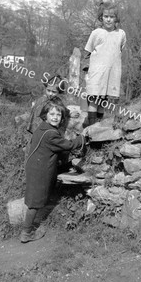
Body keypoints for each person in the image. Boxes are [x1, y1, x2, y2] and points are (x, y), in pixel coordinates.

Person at [21, 100, 88, 243]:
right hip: (40, 170)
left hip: (35, 165)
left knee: (37, 195)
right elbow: (68, 145)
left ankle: (32, 223)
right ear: (45, 115)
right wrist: (82, 138)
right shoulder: (51, 134)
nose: (55, 117)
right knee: (35, 201)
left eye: (58, 114)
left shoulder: (42, 128)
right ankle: (26, 233)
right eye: (52, 114)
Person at [82, 1, 126, 126]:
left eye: (111, 17)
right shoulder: (96, 33)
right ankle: (90, 128)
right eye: (106, 17)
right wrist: (86, 71)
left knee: (103, 100)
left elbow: (119, 49)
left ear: (116, 19)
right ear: (101, 17)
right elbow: (88, 52)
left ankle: (99, 128)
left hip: (112, 72)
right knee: (94, 99)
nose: (108, 20)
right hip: (97, 71)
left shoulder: (121, 34)